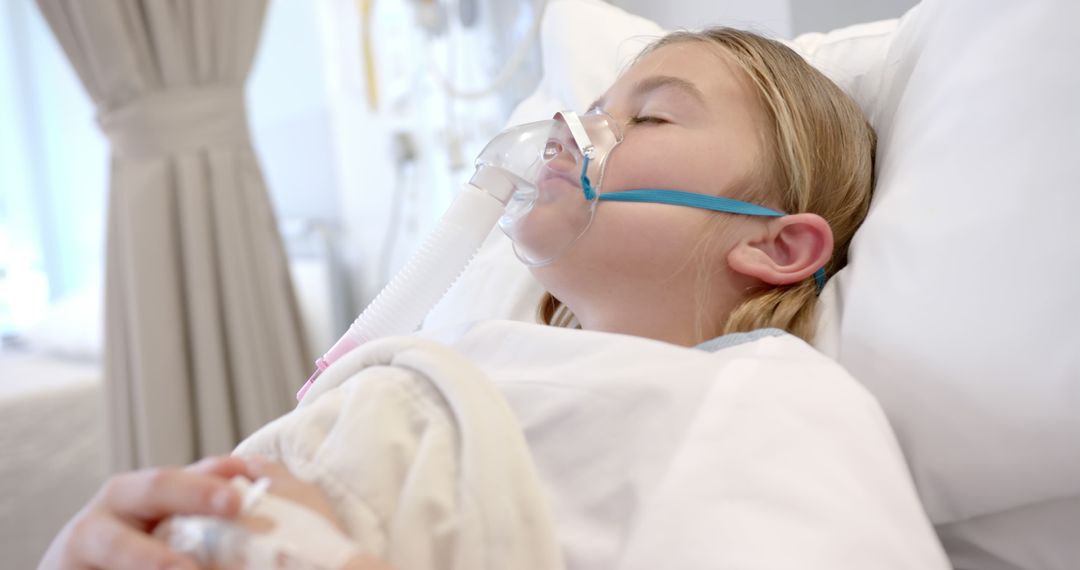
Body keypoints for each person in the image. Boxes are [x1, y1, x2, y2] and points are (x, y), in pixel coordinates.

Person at [40, 27, 895, 570]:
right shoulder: (483, 358)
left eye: (653, 119)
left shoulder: (773, 409)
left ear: (776, 244)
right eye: (594, 107)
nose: (573, 133)